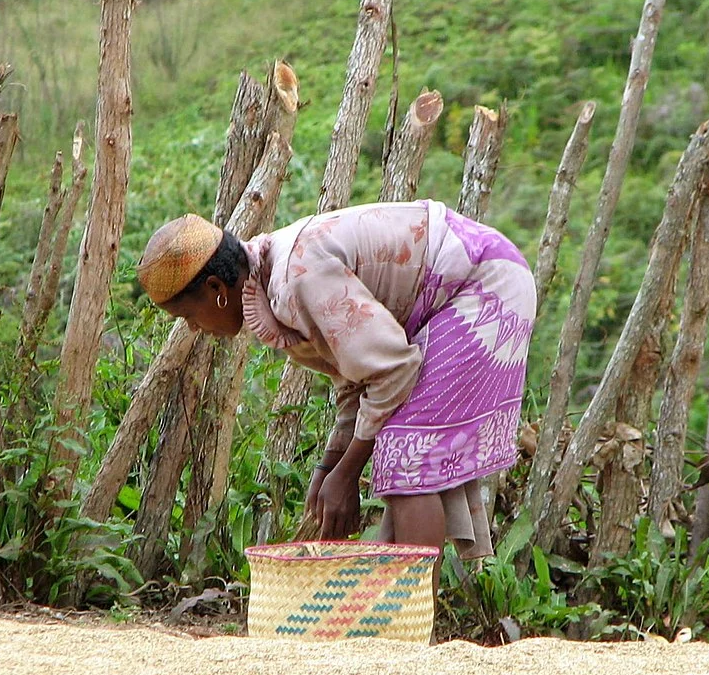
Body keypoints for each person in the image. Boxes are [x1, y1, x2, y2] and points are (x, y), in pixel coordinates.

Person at [135, 199, 535, 576]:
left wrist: (346, 474)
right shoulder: (271, 290)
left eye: (187, 315)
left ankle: (414, 635)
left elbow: (392, 370)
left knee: (406, 452)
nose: (192, 328)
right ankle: (398, 618)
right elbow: (357, 379)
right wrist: (329, 467)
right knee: (400, 450)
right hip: (465, 286)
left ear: (216, 290)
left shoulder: (297, 279)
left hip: (483, 285)